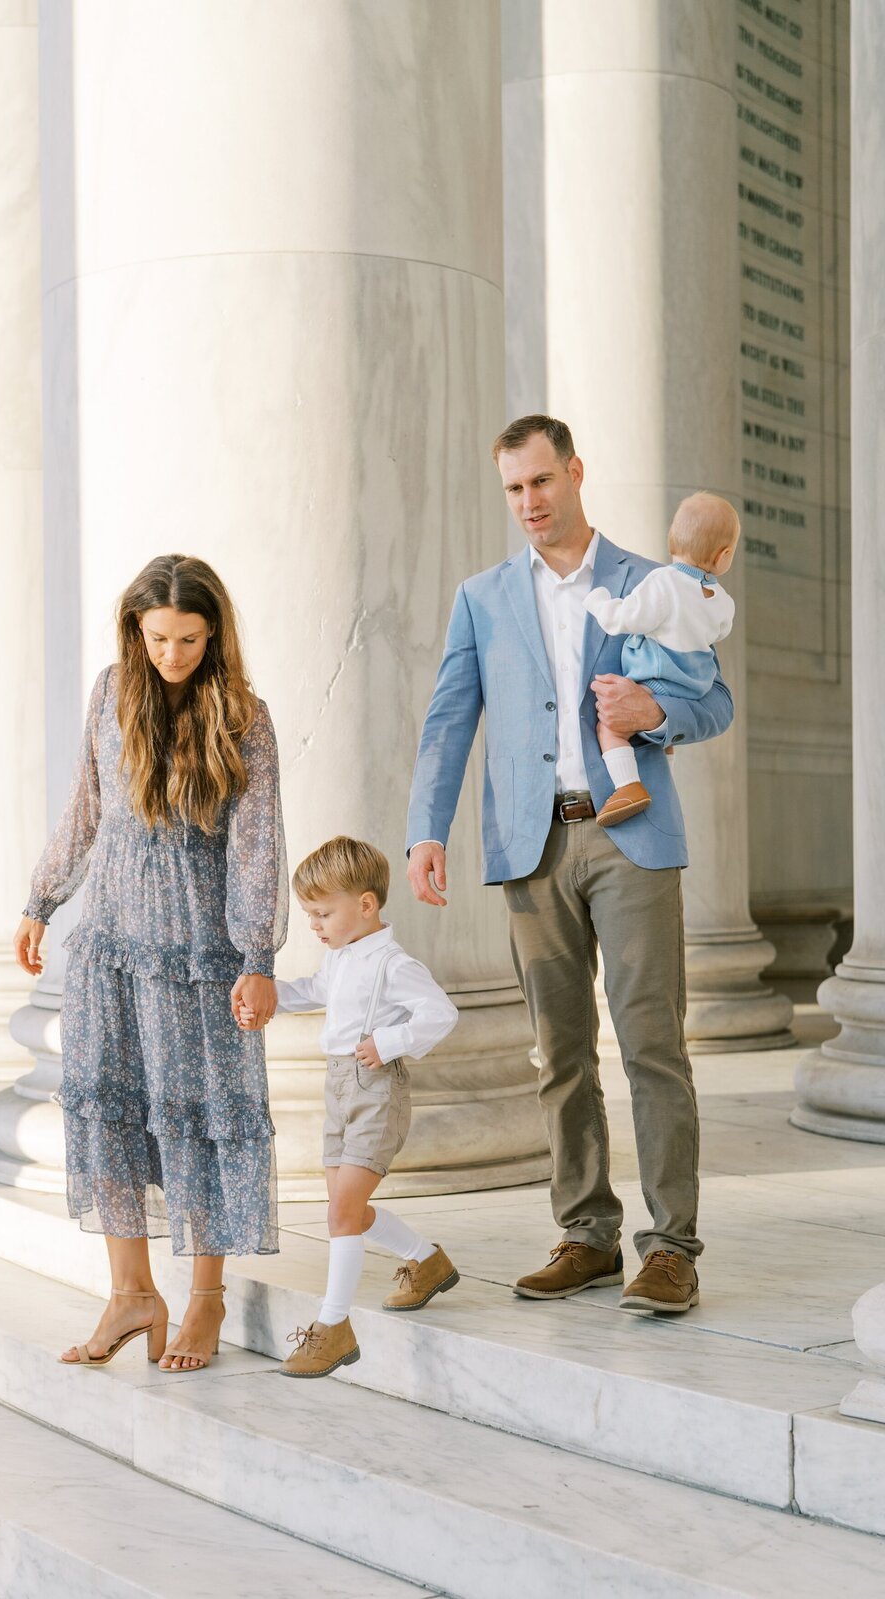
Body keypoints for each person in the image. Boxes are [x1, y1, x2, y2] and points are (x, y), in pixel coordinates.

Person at [406, 415, 734, 1315]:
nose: (529, 503)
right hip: (530, 843)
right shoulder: (482, 596)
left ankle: (670, 1249)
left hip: (629, 836)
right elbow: (448, 719)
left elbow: (715, 702)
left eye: (541, 482)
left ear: (575, 472)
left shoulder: (654, 581)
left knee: (653, 1047)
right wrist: (425, 830)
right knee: (558, 1052)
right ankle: (586, 1235)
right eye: (514, 489)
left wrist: (652, 713)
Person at [13, 554, 287, 1372]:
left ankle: (206, 1297)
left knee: (201, 1119)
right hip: (111, 948)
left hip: (200, 954)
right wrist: (40, 899)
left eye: (191, 639)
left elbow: (257, 846)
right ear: (137, 629)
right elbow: (85, 809)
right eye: (160, 636)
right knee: (111, 1117)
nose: (173, 653)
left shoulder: (245, 714)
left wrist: (256, 955)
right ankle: (131, 1292)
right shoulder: (111, 692)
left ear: (215, 634)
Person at [240, 836, 459, 1377]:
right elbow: (317, 990)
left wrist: (389, 1043)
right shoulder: (338, 958)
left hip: (375, 1090)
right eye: (310, 914)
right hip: (337, 1088)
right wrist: (270, 994)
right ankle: (427, 1261)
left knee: (340, 1213)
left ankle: (333, 1325)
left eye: (322, 913)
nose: (314, 925)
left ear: (366, 904)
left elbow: (440, 1014)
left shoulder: (393, 962)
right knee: (350, 1212)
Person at [584, 492, 740, 826]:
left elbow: (626, 618)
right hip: (692, 684)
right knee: (665, 744)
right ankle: (662, 784)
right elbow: (719, 631)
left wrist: (599, 603)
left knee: (609, 726)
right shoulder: (721, 601)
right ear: (723, 556)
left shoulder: (663, 581)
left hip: (656, 679)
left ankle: (628, 785)